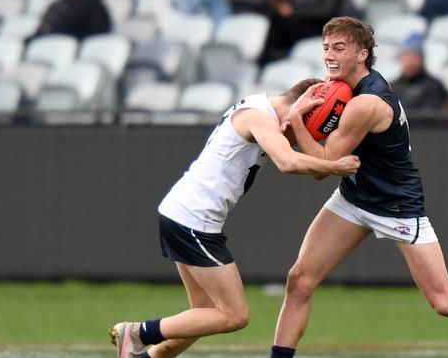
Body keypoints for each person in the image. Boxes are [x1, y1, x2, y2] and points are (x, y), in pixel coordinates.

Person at [271, 16, 448, 358]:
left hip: (395, 205)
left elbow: (323, 166)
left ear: (362, 54)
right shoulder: (342, 86)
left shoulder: (367, 102)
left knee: (445, 301)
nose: (329, 54)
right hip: (355, 196)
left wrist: (296, 120)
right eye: (326, 47)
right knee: (299, 280)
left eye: (339, 47)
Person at [109, 78, 360, 358]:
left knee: (202, 317)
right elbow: (288, 162)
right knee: (235, 315)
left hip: (183, 213)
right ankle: (138, 333)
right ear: (300, 106)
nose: (298, 139)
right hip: (192, 220)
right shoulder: (259, 116)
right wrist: (334, 165)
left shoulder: (258, 108)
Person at [391, 33, 448, 110]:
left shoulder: (434, 86)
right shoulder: (392, 87)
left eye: (414, 57)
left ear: (422, 59)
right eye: (407, 57)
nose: (410, 62)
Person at [31, 0, 111, 41]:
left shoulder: (93, 4)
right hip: (50, 43)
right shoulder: (57, 5)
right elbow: (42, 29)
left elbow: (98, 32)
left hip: (73, 46)